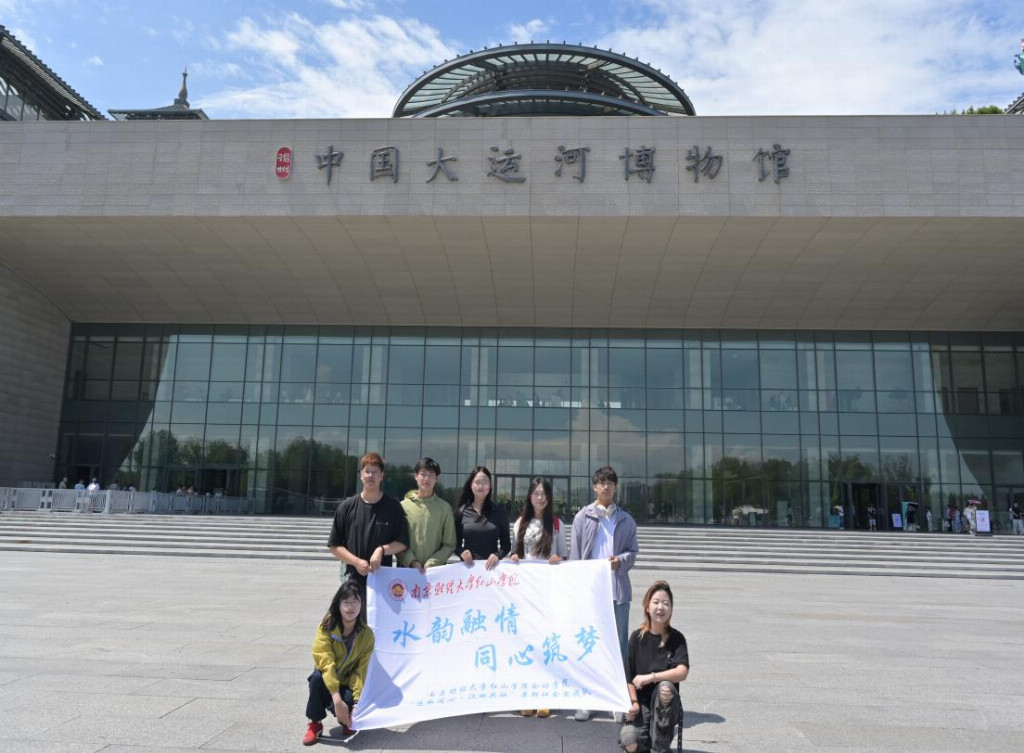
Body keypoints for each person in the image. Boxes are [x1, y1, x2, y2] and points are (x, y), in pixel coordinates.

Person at [570, 465, 639, 722]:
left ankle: (616, 699)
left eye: (610, 482)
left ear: (615, 487)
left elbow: (633, 551)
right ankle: (587, 699)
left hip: (617, 591)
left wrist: (620, 561)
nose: (606, 486)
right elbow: (575, 556)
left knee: (617, 646)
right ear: (594, 487)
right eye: (601, 482)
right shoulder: (583, 517)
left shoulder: (626, 519)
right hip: (591, 593)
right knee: (588, 645)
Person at [509, 475, 568, 719]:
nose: (540, 498)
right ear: (530, 496)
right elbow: (514, 553)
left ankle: (545, 695)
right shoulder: (520, 522)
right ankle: (526, 694)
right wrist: (513, 557)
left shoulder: (557, 524)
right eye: (536, 493)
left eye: (544, 494)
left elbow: (564, 555)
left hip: (547, 591)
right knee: (527, 643)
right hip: (525, 591)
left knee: (546, 642)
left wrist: (558, 558)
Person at [327, 453, 409, 599]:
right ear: (361, 475)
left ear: (382, 476)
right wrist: (356, 562)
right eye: (367, 471)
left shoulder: (393, 507)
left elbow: (402, 542)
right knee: (352, 613)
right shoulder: (347, 507)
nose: (371, 475)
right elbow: (334, 545)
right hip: (351, 579)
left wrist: (381, 550)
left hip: (382, 580)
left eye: (375, 472)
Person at [302, 581, 374, 746]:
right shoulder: (326, 628)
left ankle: (346, 719)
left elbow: (361, 670)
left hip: (346, 682)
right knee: (316, 678)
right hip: (327, 679)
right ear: (338, 605)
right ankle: (314, 723)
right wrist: (336, 697)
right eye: (346, 602)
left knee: (349, 712)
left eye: (355, 601)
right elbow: (325, 662)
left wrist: (356, 704)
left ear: (362, 604)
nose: (350, 607)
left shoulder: (366, 635)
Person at [620, 581, 688, 753]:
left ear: (671, 609)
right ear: (647, 607)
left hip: (666, 705)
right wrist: (634, 703)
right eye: (656, 602)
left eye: (666, 603)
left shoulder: (677, 638)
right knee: (630, 742)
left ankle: (660, 746)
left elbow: (682, 672)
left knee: (665, 688)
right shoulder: (636, 637)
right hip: (641, 703)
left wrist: (651, 677)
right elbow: (628, 676)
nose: (660, 607)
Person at [397, 457, 455, 573]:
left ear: (437, 478)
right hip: (406, 570)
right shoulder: (403, 506)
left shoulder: (444, 508)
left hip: (435, 571)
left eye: (431, 475)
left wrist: (433, 562)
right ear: (416, 476)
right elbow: (397, 540)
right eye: (423, 474)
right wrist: (412, 561)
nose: (427, 479)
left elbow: (449, 544)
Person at [454, 466, 510, 570]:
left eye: (485, 482)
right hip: (468, 570)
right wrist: (461, 552)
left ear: (490, 485)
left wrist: (498, 555)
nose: (481, 486)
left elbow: (506, 545)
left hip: (491, 570)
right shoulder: (461, 512)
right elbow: (454, 544)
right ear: (471, 485)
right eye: (477, 482)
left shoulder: (500, 512)